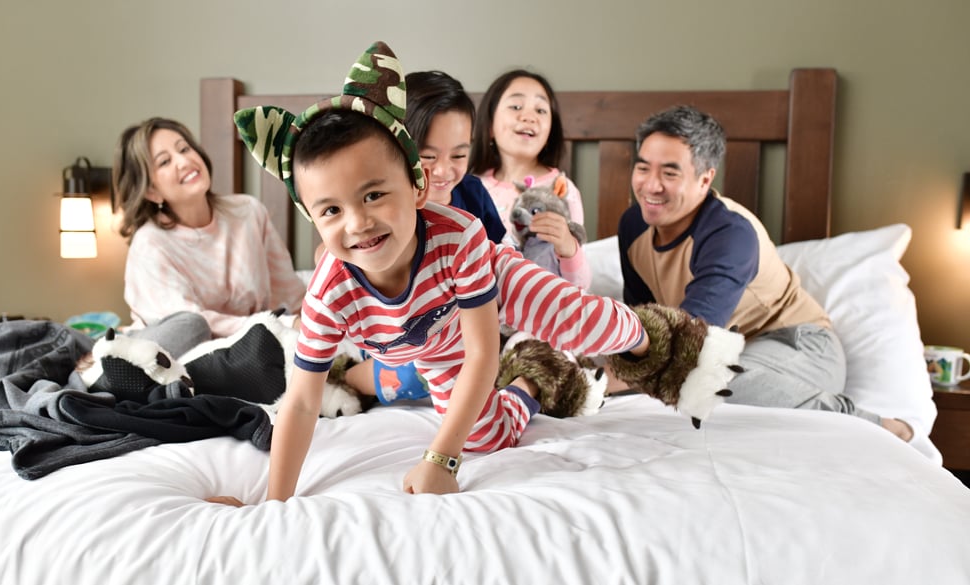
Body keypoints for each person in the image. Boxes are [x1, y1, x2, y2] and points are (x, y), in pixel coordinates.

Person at [214, 42, 656, 503]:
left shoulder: (460, 233)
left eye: (373, 196)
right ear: (312, 218)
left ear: (416, 187)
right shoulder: (329, 294)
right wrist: (273, 501)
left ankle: (653, 337)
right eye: (331, 209)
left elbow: (483, 352)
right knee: (486, 438)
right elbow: (303, 402)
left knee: (581, 322)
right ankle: (533, 379)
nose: (358, 223)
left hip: (494, 280)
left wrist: (440, 458)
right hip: (434, 340)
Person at [616, 105, 913, 441]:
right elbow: (640, 321)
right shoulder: (634, 223)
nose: (650, 186)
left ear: (705, 179)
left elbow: (688, 340)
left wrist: (617, 376)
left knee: (704, 379)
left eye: (669, 174)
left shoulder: (730, 233)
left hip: (797, 345)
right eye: (643, 168)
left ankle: (874, 425)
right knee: (667, 388)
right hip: (720, 352)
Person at [340, 70, 506, 404]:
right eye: (428, 156)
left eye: (459, 155)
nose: (443, 171)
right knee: (411, 372)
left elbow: (500, 261)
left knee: (505, 353)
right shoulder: (385, 205)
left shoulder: (472, 194)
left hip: (466, 330)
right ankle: (345, 377)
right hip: (394, 339)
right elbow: (333, 259)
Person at [113, 117, 306, 358]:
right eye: (165, 162)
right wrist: (282, 325)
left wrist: (316, 326)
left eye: (184, 148)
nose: (184, 161)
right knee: (193, 327)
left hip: (249, 349)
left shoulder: (248, 212)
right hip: (173, 355)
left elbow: (289, 290)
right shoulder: (150, 244)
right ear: (151, 191)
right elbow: (189, 326)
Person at [471, 70, 591, 289]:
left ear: (550, 131)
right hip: (483, 310)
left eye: (541, 110)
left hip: (543, 310)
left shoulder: (561, 190)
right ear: (489, 125)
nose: (529, 116)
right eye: (516, 106)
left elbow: (579, 286)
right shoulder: (471, 187)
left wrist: (568, 246)